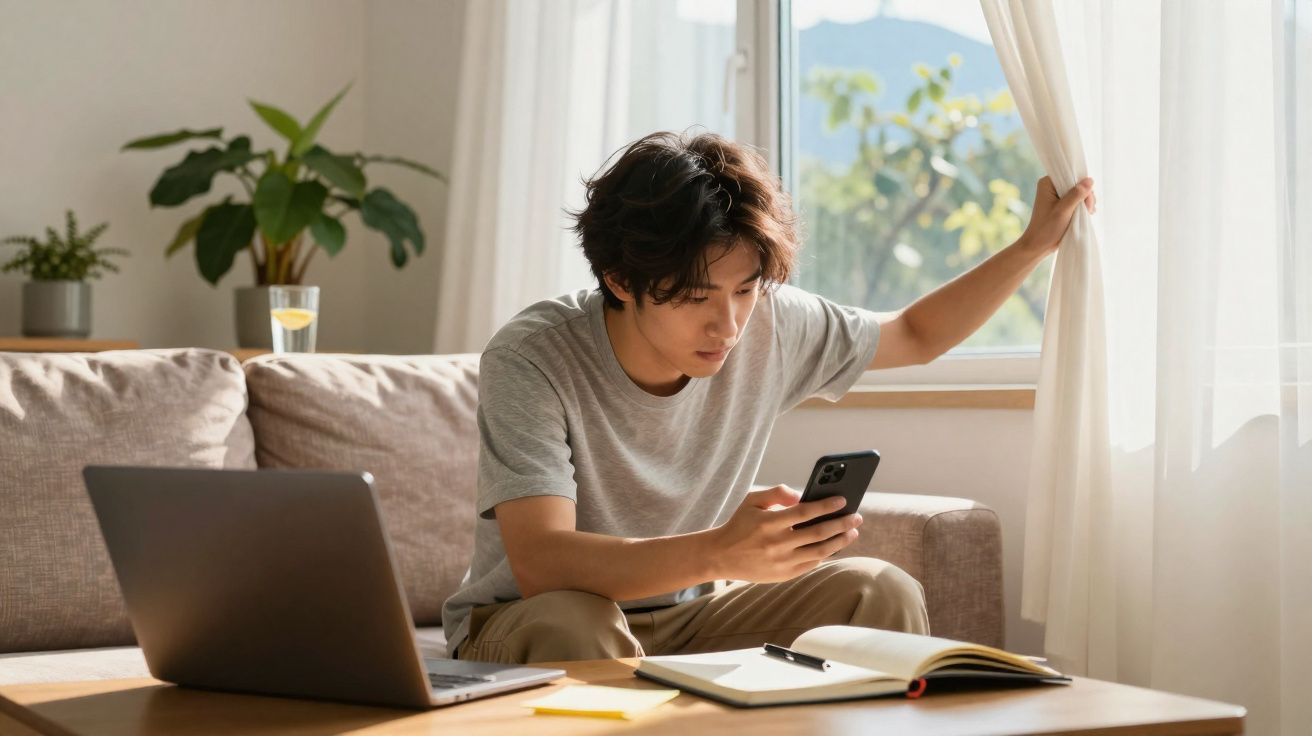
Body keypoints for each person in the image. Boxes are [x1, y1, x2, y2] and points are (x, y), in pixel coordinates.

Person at [441, 130, 1095, 664]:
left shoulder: (775, 326)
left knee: (879, 589)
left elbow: (916, 335)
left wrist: (1031, 247)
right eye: (695, 297)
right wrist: (720, 550)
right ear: (619, 279)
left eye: (745, 289)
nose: (727, 326)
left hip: (691, 615)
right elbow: (543, 563)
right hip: (532, 618)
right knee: (576, 624)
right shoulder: (534, 356)